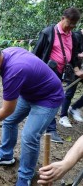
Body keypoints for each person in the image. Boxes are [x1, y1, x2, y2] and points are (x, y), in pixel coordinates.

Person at [0, 40, 64, 186]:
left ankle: (26, 175)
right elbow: (9, 113)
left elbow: (7, 110)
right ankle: (6, 156)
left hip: (48, 98)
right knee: (10, 121)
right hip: (30, 92)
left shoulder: (14, 72)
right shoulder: (5, 53)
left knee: (29, 135)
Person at [32, 7, 82, 143]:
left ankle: (46, 125)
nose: (70, 27)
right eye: (69, 23)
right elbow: (36, 54)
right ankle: (51, 129)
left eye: (73, 25)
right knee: (53, 99)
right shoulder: (48, 32)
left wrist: (77, 70)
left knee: (50, 99)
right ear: (62, 18)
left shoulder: (73, 36)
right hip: (45, 73)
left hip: (59, 73)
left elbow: (72, 56)